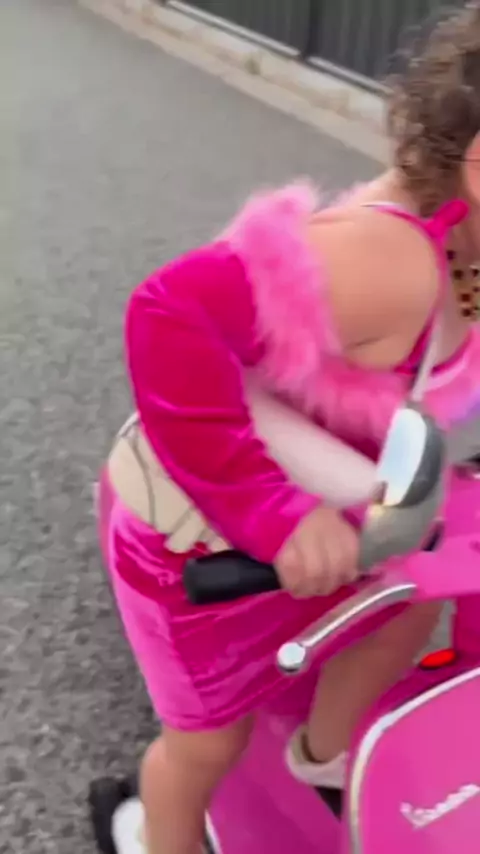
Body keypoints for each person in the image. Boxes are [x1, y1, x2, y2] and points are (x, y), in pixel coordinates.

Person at [97, 5, 480, 853]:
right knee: (207, 742)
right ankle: (161, 836)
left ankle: (322, 757)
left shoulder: (465, 240)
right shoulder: (392, 261)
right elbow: (171, 311)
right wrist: (271, 510)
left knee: (404, 613)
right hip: (200, 543)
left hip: (344, 512)